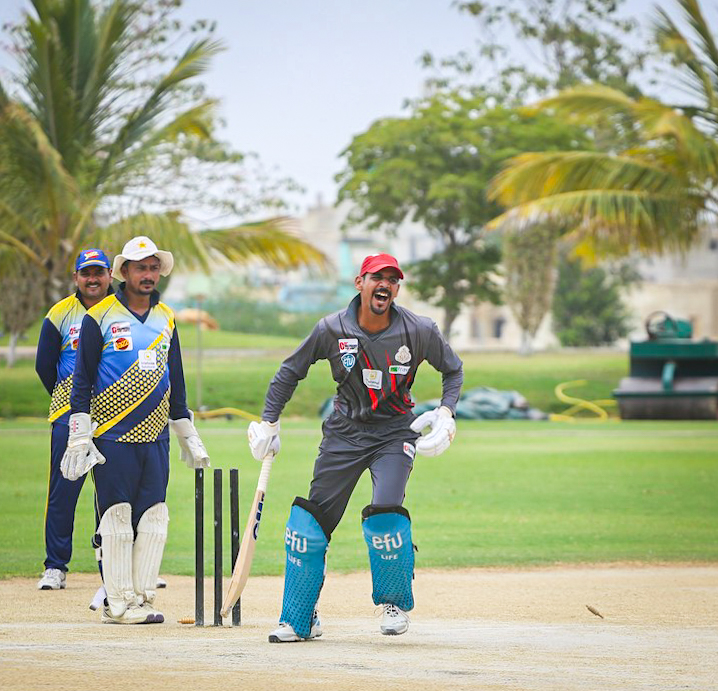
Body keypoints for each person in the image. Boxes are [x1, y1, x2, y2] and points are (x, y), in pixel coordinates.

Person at [248, 253, 463, 642]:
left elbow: (453, 368)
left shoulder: (419, 329)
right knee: (311, 524)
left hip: (395, 433)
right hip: (344, 434)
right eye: (377, 277)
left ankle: (393, 603)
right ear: (359, 282)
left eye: (392, 280)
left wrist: (446, 413)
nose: (385, 285)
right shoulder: (331, 328)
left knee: (386, 512)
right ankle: (300, 616)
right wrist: (269, 422)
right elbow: (289, 371)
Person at [65, 236, 209, 624]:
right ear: (124, 272)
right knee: (116, 518)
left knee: (154, 517)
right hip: (112, 437)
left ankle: (142, 599)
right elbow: (82, 379)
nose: (148, 274)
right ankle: (117, 603)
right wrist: (79, 434)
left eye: (153, 268)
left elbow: (176, 379)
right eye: (140, 267)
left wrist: (186, 432)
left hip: (155, 438)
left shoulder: (167, 317)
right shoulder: (100, 317)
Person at [35, 248, 114, 590]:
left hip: (113, 417)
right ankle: (55, 566)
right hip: (69, 419)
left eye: (99, 272)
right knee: (63, 491)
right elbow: (44, 365)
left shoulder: (122, 310)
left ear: (110, 275)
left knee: (114, 494)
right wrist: (67, 399)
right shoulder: (60, 314)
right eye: (86, 273)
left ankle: (119, 566)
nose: (92, 279)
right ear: (76, 277)